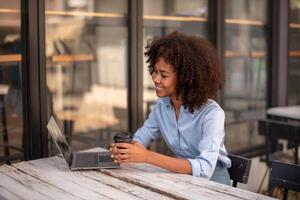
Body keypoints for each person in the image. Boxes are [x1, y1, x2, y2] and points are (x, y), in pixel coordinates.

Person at [110, 31, 231, 185]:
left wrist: (146, 156)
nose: (155, 78)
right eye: (154, 71)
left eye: (163, 75)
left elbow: (204, 168)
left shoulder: (212, 115)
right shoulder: (162, 107)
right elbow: (141, 139)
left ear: (184, 79)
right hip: (182, 179)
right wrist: (128, 152)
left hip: (215, 185)